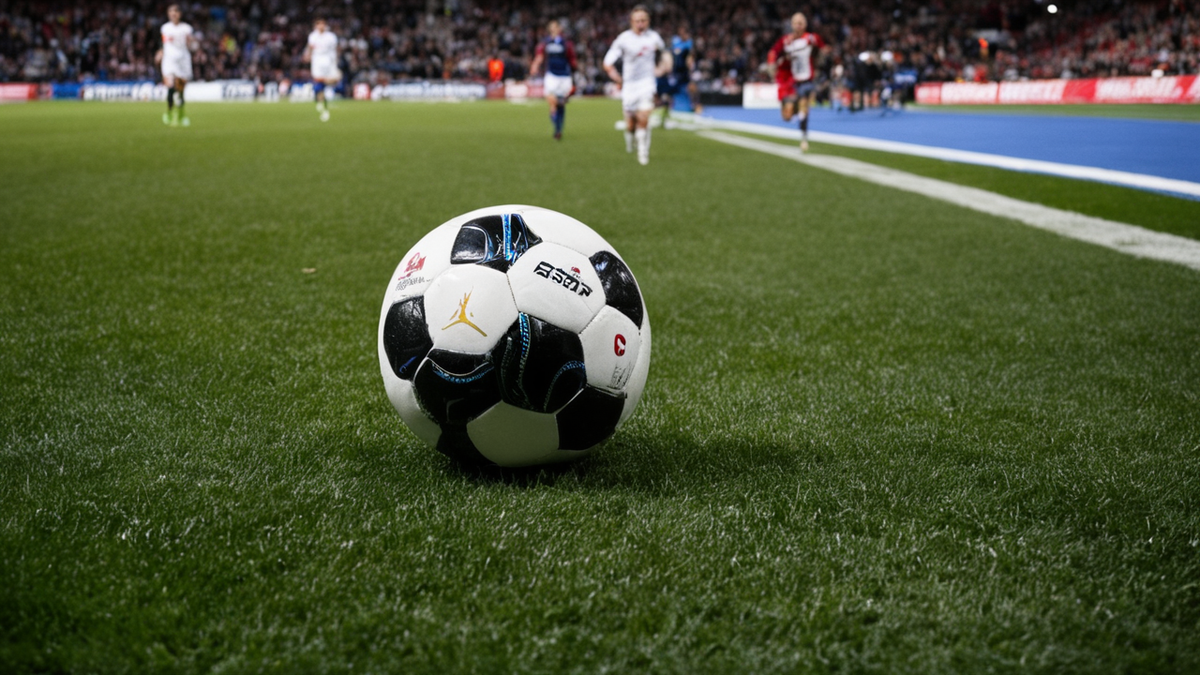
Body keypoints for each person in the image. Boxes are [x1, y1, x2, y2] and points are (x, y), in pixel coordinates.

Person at [603, 5, 667, 166]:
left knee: (644, 117)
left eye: (643, 20)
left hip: (647, 83)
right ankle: (631, 139)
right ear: (631, 22)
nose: (640, 24)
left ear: (648, 21)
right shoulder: (623, 39)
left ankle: (643, 152)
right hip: (629, 85)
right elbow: (607, 62)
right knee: (630, 123)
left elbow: (665, 53)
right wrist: (616, 77)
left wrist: (663, 67)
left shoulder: (654, 37)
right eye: (637, 20)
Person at [767, 12, 825, 152]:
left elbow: (823, 49)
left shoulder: (811, 38)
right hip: (791, 82)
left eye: (801, 23)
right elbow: (773, 52)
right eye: (796, 23)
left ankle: (804, 136)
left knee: (804, 106)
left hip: (807, 80)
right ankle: (797, 116)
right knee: (787, 115)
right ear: (791, 25)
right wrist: (771, 65)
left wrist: (820, 62)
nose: (798, 26)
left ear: (805, 25)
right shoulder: (786, 41)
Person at [528, 20, 578, 141]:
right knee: (552, 102)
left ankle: (559, 128)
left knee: (561, 104)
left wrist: (575, 71)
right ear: (550, 29)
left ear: (560, 29)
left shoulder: (566, 43)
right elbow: (540, 56)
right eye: (552, 27)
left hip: (564, 76)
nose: (554, 29)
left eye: (556, 27)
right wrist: (535, 65)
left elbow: (572, 59)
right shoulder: (546, 42)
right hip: (551, 75)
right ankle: (557, 129)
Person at [155, 4, 197, 127]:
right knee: (171, 86)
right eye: (171, 12)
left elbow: (190, 44)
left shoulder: (186, 29)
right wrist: (160, 51)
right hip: (169, 61)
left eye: (176, 12)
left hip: (183, 61)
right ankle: (169, 112)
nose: (173, 14)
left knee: (181, 90)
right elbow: (162, 42)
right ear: (168, 14)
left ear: (180, 14)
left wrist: (194, 46)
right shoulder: (165, 28)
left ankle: (181, 115)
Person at [659, 23, 701, 125]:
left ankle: (695, 105)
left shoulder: (689, 43)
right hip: (674, 71)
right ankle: (667, 110)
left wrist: (690, 66)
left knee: (691, 88)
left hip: (684, 71)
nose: (681, 33)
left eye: (683, 32)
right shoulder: (675, 40)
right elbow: (668, 52)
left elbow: (691, 56)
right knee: (669, 91)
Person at [303, 18, 339, 122]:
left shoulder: (331, 37)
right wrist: (307, 55)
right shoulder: (313, 36)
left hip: (328, 60)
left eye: (322, 24)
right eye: (319, 24)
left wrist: (335, 60)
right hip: (317, 60)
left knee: (333, 79)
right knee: (318, 80)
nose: (321, 26)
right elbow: (310, 47)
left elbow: (335, 49)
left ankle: (320, 94)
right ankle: (320, 99)